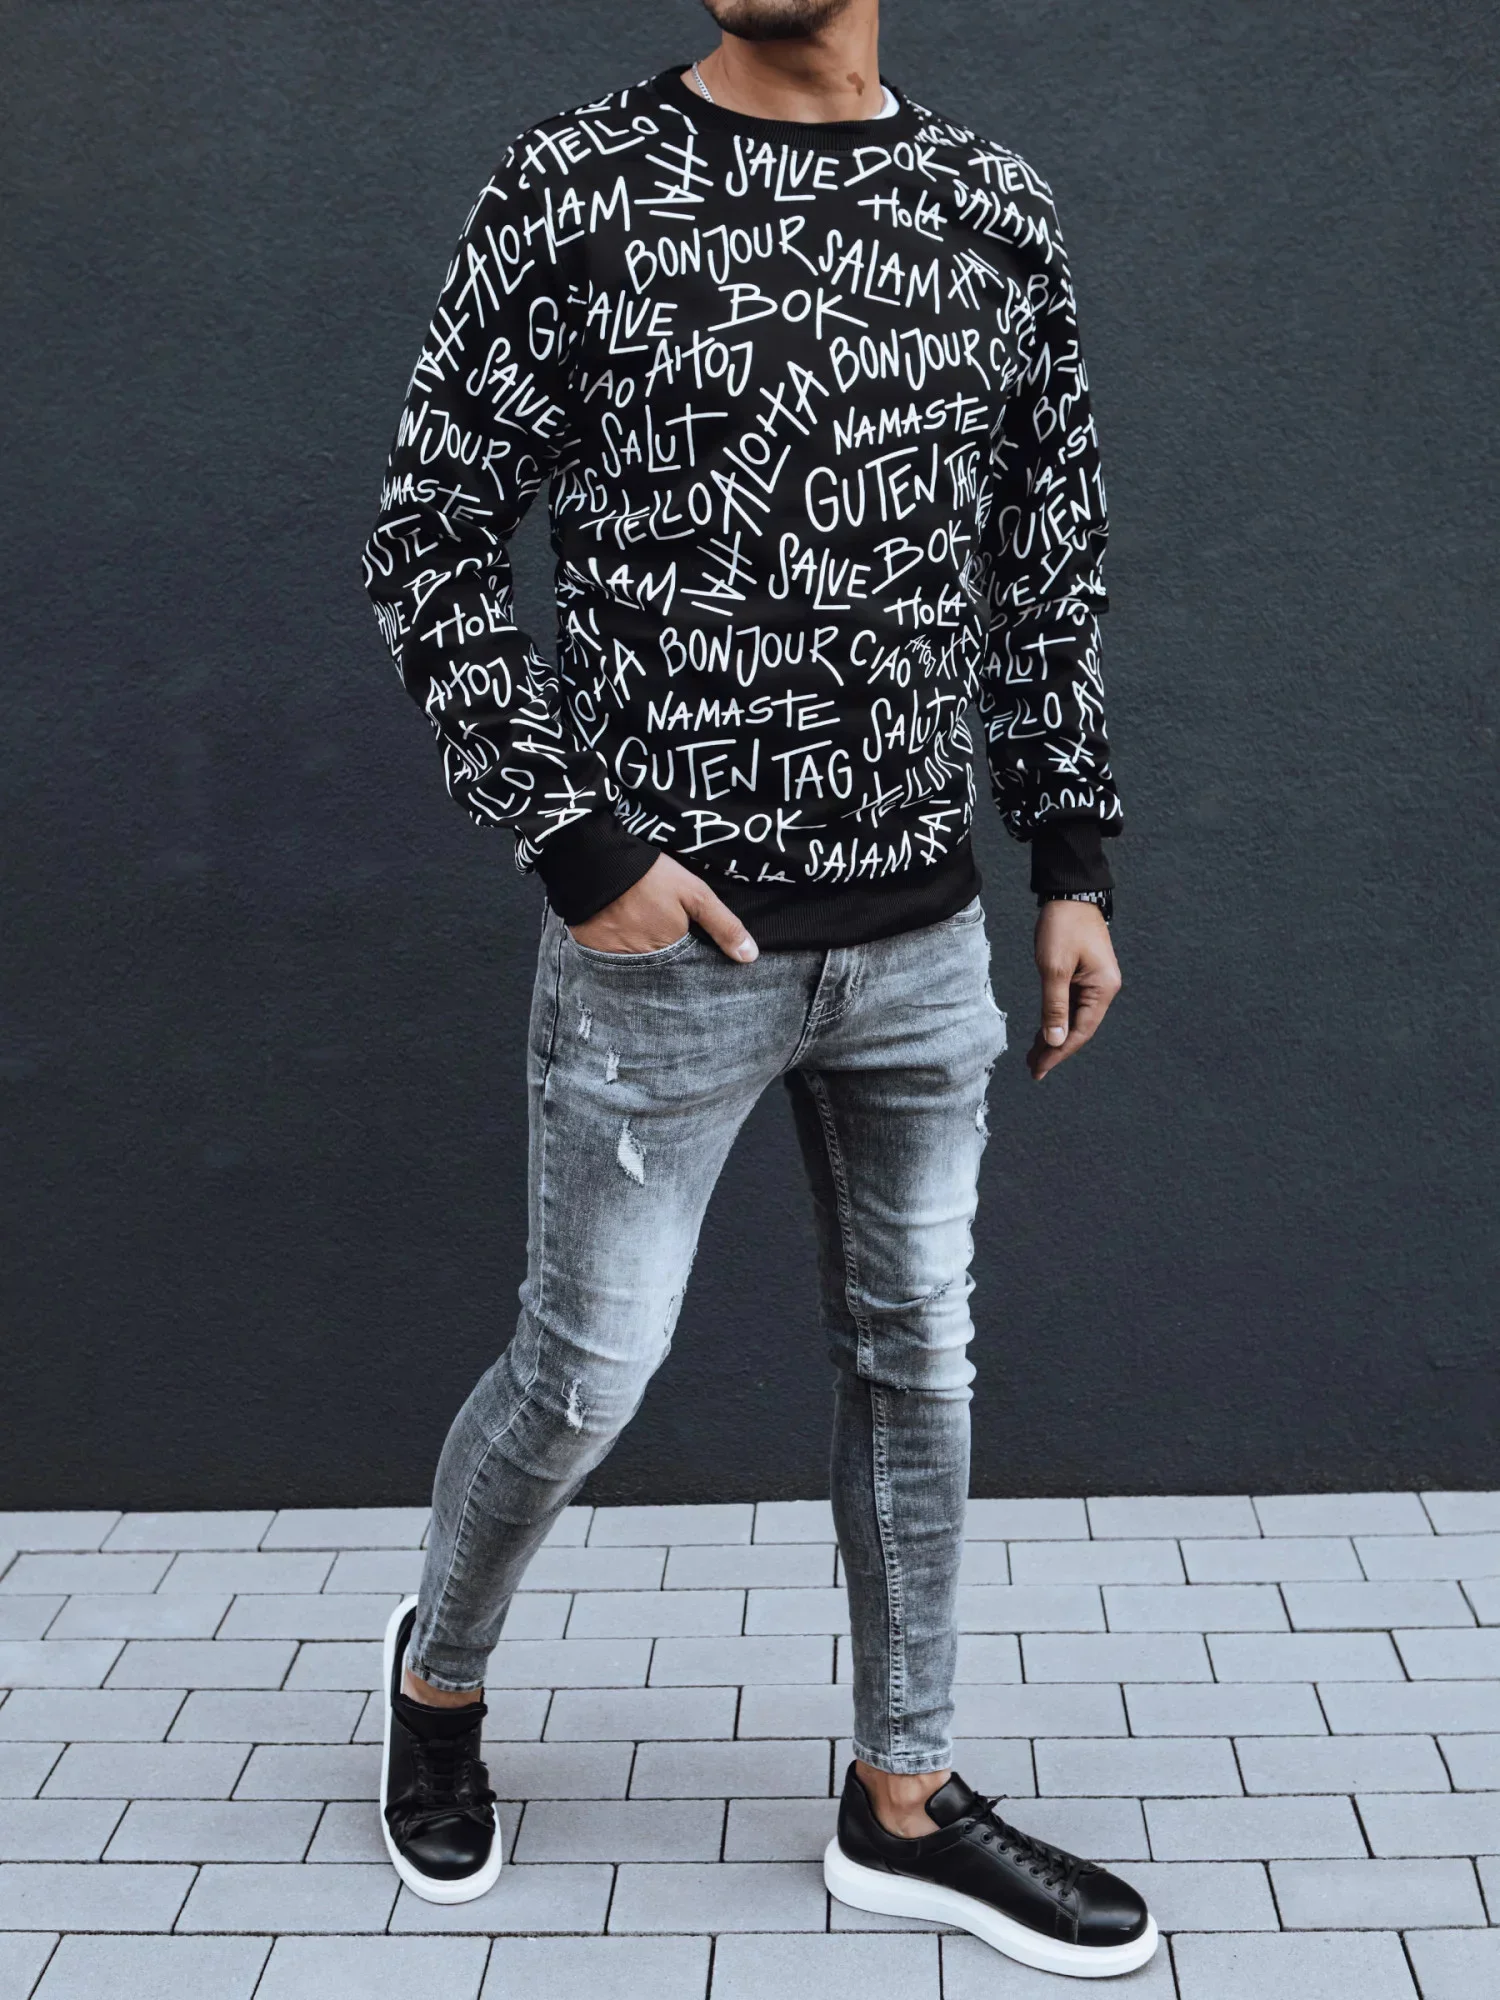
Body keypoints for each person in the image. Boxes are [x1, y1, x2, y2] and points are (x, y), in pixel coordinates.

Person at [360, 0, 1153, 1976]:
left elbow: (1044, 554)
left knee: (920, 1358)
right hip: (669, 959)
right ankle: (439, 1678)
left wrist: (1067, 858)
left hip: (921, 943)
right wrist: (578, 847)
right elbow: (431, 533)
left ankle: (904, 1799)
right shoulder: (576, 191)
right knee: (585, 1374)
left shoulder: (991, 209)